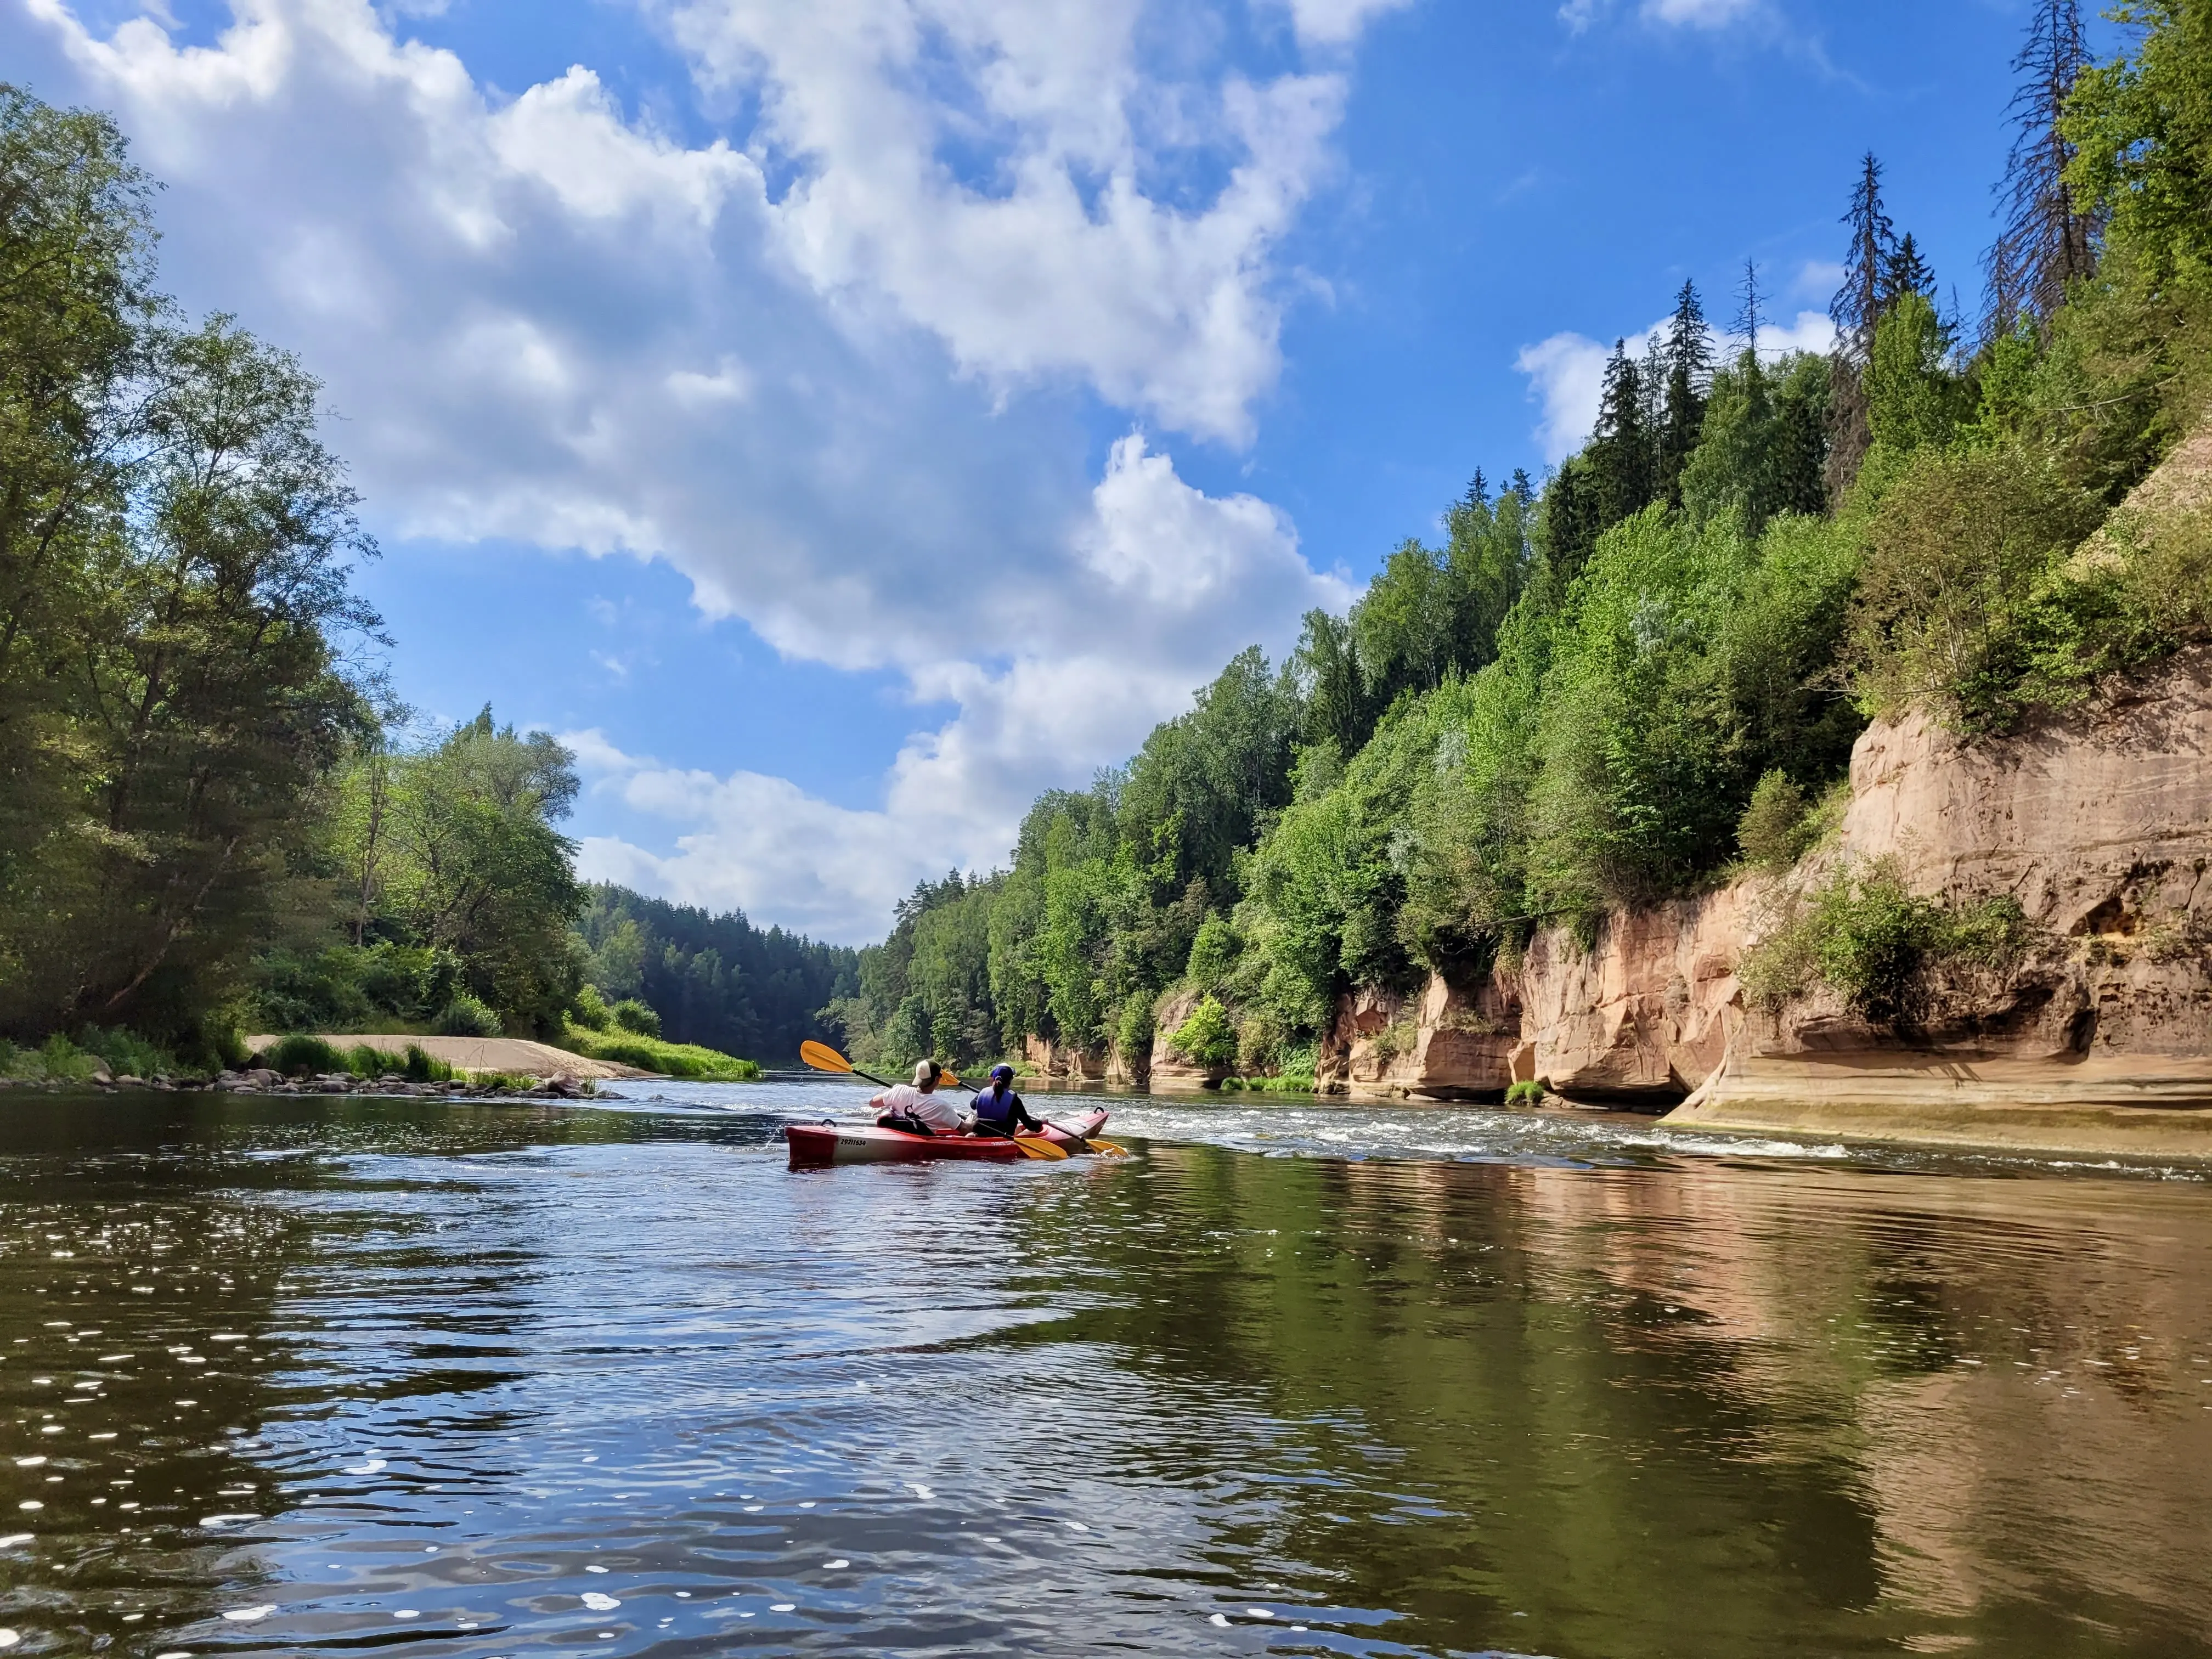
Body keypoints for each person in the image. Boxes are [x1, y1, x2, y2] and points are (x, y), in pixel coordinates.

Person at [870, 1059, 962, 1137]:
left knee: (888, 1113)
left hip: (896, 1133)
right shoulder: (942, 1106)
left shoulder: (900, 1090)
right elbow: (965, 1129)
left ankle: (889, 1116)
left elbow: (873, 1103)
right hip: (918, 1137)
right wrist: (971, 1121)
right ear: (936, 1080)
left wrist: (891, 1092)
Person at [965, 1064, 1045, 1138]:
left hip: (981, 1133)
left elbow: (973, 1105)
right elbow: (1030, 1126)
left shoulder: (983, 1092)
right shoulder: (1014, 1100)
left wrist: (981, 1097)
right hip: (1003, 1136)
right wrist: (1041, 1122)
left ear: (993, 1078)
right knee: (1032, 1130)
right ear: (1010, 1081)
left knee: (1017, 1128)